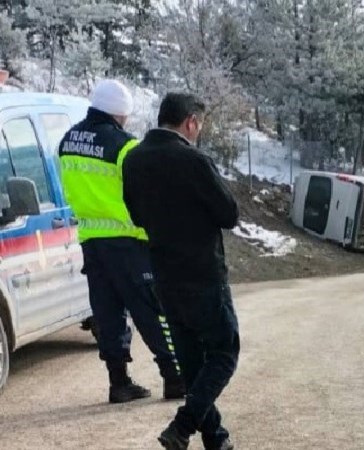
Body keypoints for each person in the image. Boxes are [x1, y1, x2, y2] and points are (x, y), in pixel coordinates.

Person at [123, 93, 240, 450]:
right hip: (203, 275)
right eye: (199, 125)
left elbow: (137, 216)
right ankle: (183, 425)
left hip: (164, 275)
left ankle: (215, 439)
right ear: (190, 122)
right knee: (224, 352)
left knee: (192, 362)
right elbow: (229, 214)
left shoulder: (133, 160)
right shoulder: (193, 160)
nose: (199, 132)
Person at [58, 79, 183, 404]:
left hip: (91, 240)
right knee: (151, 311)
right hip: (128, 241)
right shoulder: (124, 146)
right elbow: (145, 193)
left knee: (107, 312)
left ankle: (119, 383)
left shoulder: (67, 140)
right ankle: (175, 377)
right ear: (120, 113)